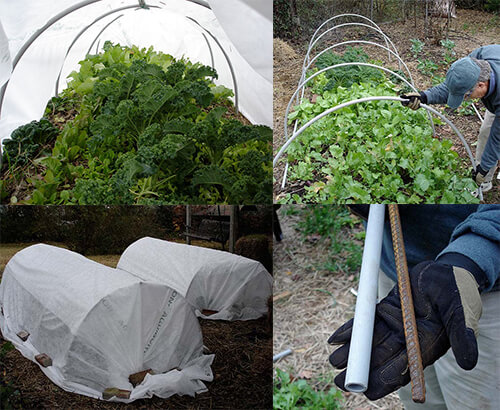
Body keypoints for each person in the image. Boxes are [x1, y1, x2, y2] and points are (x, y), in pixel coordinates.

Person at [328, 205, 500, 409]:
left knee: (474, 400)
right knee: (416, 398)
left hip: (478, 280)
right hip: (395, 275)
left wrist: (475, 253)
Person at [401, 45, 500, 194]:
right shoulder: (476, 60)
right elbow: (453, 87)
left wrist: (485, 166)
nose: (466, 100)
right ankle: (483, 181)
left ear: (481, 84)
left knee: (494, 140)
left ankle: (484, 173)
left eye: (466, 96)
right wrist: (424, 97)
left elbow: (497, 138)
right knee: (486, 133)